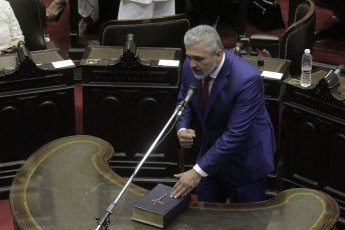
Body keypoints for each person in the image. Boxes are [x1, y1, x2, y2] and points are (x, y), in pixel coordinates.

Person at [170, 25, 276, 203]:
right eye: (189, 57)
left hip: (245, 162)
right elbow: (184, 100)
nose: (192, 64)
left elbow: (235, 135)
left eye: (198, 58)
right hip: (211, 155)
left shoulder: (247, 79)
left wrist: (197, 171)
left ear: (218, 55)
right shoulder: (191, 68)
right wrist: (182, 128)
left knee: (245, 222)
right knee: (207, 217)